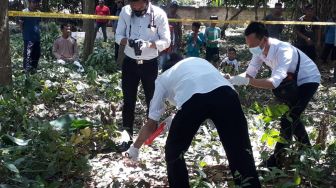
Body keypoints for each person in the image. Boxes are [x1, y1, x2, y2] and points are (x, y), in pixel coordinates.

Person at [125, 54, 261, 188]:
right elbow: (213, 93)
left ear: (165, 69)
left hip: (193, 102)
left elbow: (151, 123)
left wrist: (135, 148)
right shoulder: (198, 60)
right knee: (240, 149)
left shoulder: (163, 78)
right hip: (228, 95)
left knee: (174, 151)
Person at [229, 22, 321, 168]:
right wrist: (232, 80)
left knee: (288, 119)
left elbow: (274, 82)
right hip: (292, 82)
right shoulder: (259, 51)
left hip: (308, 79)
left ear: (264, 39)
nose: (251, 49)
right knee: (293, 116)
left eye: (253, 45)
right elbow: (250, 73)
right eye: (248, 45)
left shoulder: (283, 50)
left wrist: (247, 81)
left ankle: (276, 161)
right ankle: (307, 150)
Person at [115, 0, 171, 150]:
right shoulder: (125, 11)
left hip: (150, 63)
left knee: (152, 101)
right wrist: (129, 42)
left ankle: (149, 137)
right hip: (130, 63)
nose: (135, 7)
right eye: (132, 3)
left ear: (146, 2)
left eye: (138, 4)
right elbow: (118, 36)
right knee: (128, 100)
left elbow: (166, 41)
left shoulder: (159, 14)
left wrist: (148, 44)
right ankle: (126, 136)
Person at [158, 1, 182, 69]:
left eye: (175, 7)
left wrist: (180, 40)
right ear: (170, 7)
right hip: (164, 41)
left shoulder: (178, 18)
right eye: (173, 7)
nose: (174, 8)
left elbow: (180, 30)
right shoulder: (165, 16)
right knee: (163, 59)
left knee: (173, 60)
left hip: (174, 42)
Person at [19, 0, 41, 74]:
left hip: (37, 38)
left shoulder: (39, 13)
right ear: (30, 3)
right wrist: (24, 33)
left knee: (36, 54)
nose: (36, 4)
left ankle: (33, 70)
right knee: (27, 55)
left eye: (37, 2)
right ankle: (26, 71)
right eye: (34, 2)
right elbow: (21, 24)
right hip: (28, 38)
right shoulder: (24, 12)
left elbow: (38, 23)